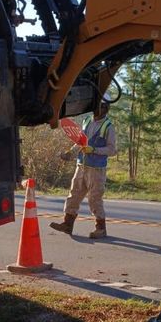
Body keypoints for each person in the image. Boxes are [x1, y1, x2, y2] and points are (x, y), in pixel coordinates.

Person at [50, 100, 116, 239]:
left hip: (96, 169)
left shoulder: (108, 126)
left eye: (103, 106)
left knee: (95, 199)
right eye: (98, 106)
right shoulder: (87, 121)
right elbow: (79, 141)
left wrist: (95, 150)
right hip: (81, 166)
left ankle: (101, 228)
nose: (100, 109)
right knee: (74, 195)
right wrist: (71, 153)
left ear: (106, 108)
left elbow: (112, 149)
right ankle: (68, 224)